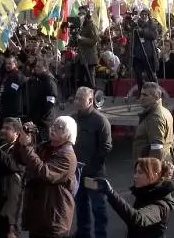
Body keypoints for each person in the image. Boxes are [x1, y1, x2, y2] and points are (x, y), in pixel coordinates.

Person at [15, 116, 78, 238]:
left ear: (68, 134)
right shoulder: (45, 147)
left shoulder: (67, 157)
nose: (53, 129)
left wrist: (27, 147)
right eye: (53, 125)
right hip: (38, 217)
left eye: (59, 127)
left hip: (54, 221)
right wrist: (22, 140)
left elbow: (44, 172)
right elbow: (22, 160)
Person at [95, 158, 174, 238]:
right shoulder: (146, 193)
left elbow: (137, 218)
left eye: (140, 173)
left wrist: (111, 193)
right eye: (136, 172)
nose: (135, 176)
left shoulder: (161, 205)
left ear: (154, 175)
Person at [72, 87, 112, 238]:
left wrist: (93, 167)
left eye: (80, 99)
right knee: (80, 205)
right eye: (76, 98)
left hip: (94, 173)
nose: (76, 102)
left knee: (98, 207)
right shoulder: (73, 119)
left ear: (90, 101)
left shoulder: (101, 121)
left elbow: (106, 147)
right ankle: (83, 233)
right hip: (77, 172)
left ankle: (101, 234)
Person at [132, 82, 174, 162]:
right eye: (141, 94)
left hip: (150, 166)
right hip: (164, 161)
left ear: (156, 97)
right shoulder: (164, 111)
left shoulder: (155, 117)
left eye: (145, 95)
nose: (141, 98)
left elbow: (157, 148)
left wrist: (151, 170)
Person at [27, 58, 58, 140]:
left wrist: (41, 116)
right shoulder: (37, 79)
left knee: (43, 143)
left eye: (39, 67)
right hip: (35, 119)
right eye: (36, 66)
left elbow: (50, 102)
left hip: (44, 122)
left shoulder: (49, 81)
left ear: (46, 68)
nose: (36, 68)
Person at [132, 10, 159, 91]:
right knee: (138, 75)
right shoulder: (137, 24)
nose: (144, 16)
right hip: (138, 53)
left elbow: (154, 35)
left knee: (151, 74)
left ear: (148, 15)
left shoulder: (152, 24)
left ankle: (156, 91)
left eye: (145, 14)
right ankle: (140, 92)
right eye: (142, 14)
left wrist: (142, 31)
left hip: (149, 53)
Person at [76, 10, 98, 89]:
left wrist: (81, 38)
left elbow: (94, 40)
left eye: (82, 14)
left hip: (90, 57)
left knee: (90, 78)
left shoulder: (91, 26)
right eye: (79, 14)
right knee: (81, 78)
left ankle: (94, 95)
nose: (80, 16)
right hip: (82, 56)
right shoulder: (81, 26)